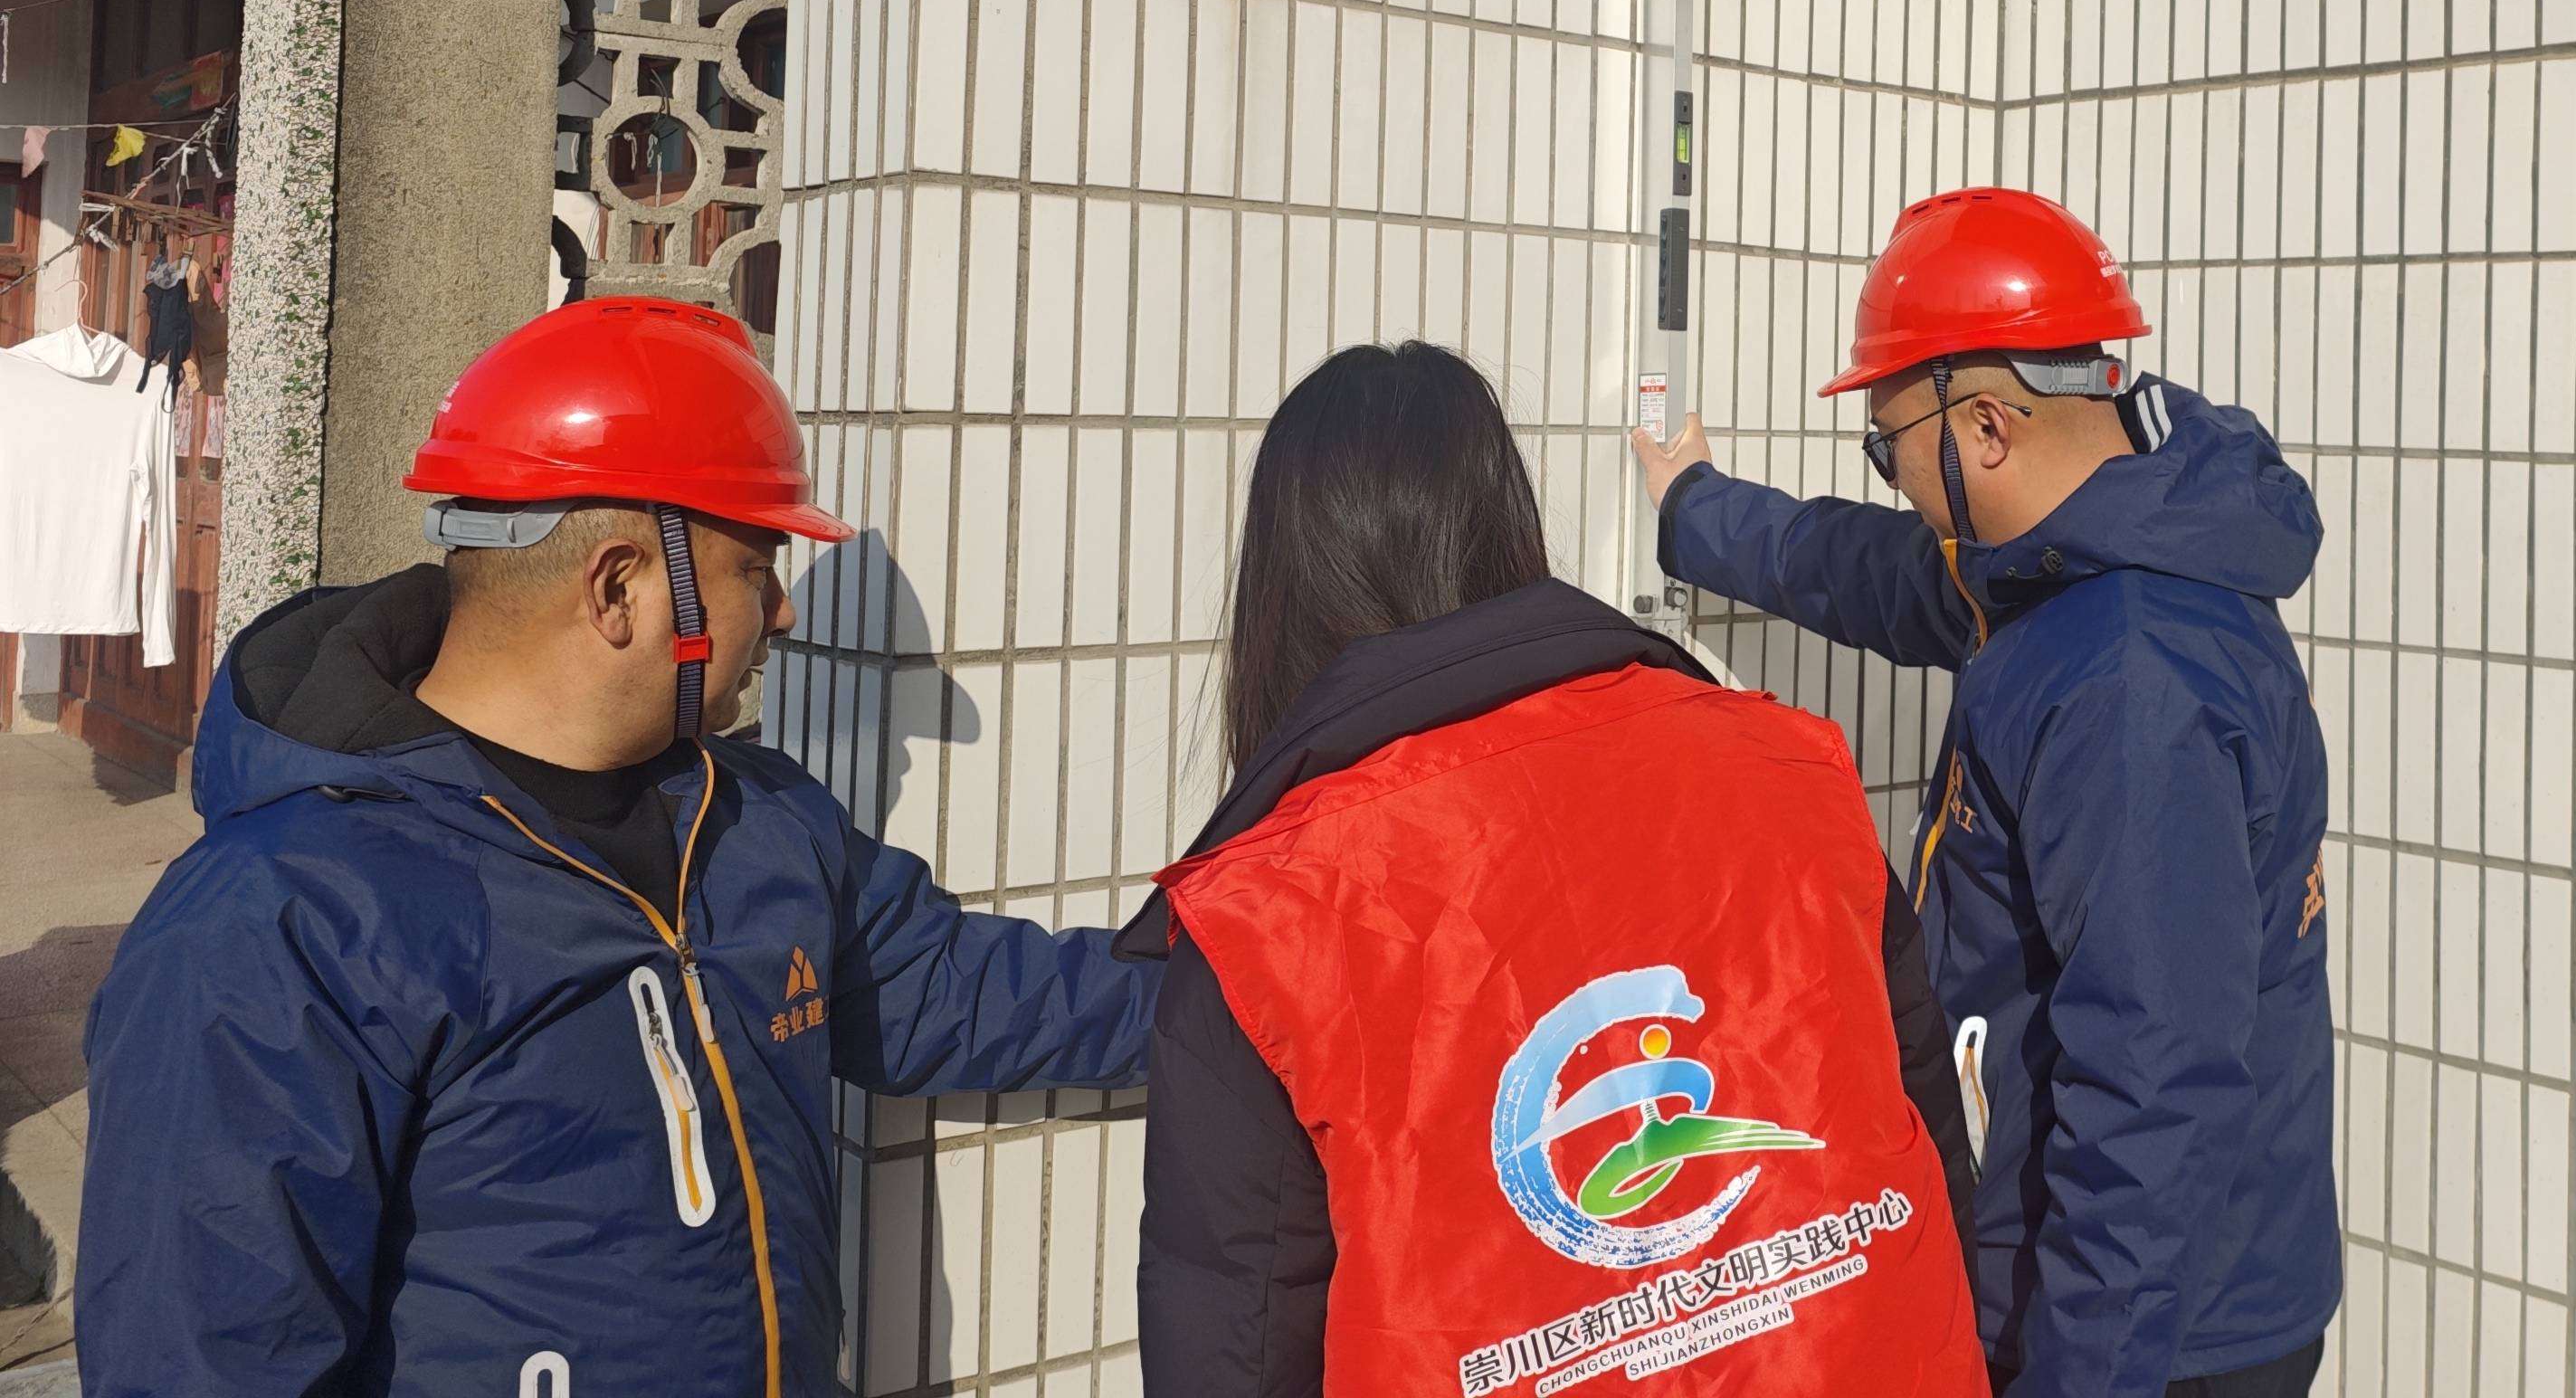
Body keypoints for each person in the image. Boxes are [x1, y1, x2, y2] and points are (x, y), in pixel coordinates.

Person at [77, 298, 1160, 1398]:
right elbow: (203, 1361)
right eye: (756, 568)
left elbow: (967, 993)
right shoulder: (279, 919)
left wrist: (1248, 983)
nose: (784, 614)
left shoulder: (759, 819)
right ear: (620, 588)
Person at [1125, 341, 1987, 1397]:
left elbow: (1235, 1337)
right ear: (1508, 525)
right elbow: (1925, 1141)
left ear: (1282, 585)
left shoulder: (1268, 917)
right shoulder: (1787, 766)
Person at [1629, 188, 2339, 1398]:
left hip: (2152, 1338)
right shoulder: (2073, 557)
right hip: (2119, 1293)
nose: (1892, 476)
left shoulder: (2131, 680)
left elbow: (2152, 1093)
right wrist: (1696, 512)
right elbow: (1871, 571)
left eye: (1887, 444)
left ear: (1988, 428)